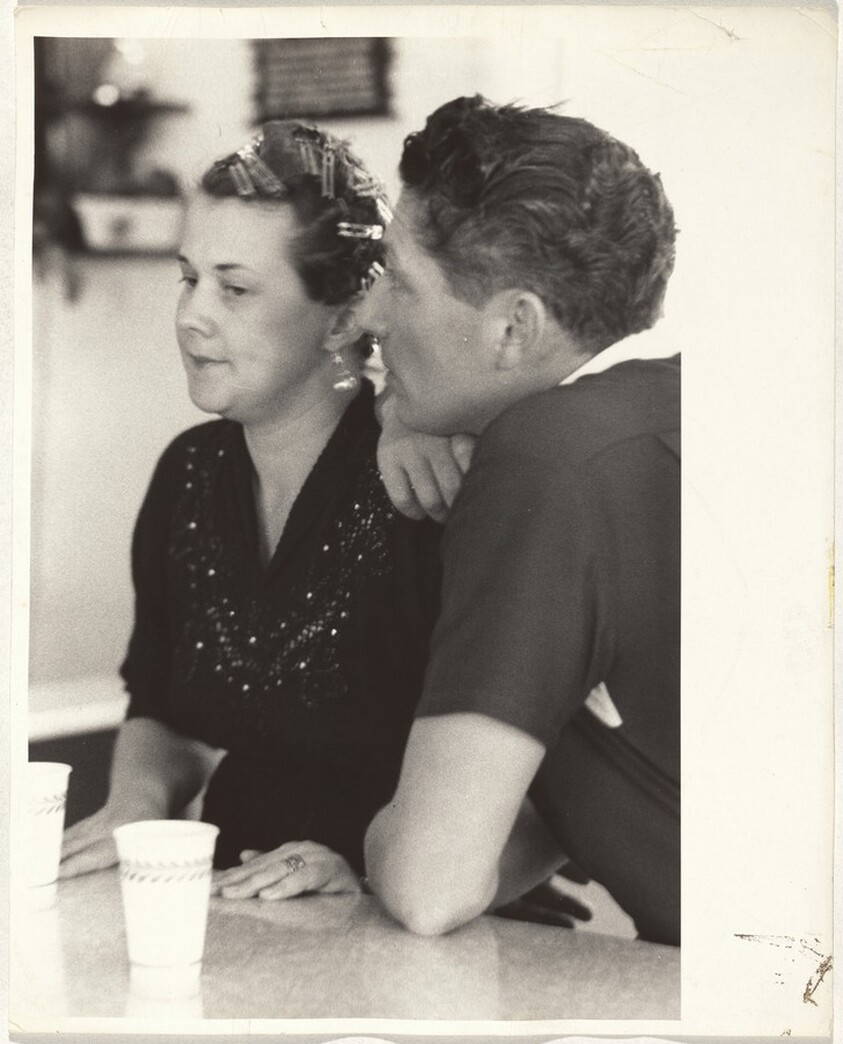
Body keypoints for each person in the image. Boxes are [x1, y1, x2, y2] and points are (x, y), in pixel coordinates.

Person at [59, 120, 465, 899]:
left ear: (345, 318)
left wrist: (370, 874)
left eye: (235, 288)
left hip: (423, 918)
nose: (190, 316)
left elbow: (528, 762)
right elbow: (160, 703)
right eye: (188, 277)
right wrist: (133, 806)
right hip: (237, 899)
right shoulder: (187, 474)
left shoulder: (427, 481)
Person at [361, 95, 680, 945]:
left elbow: (430, 888)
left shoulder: (548, 461)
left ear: (515, 326)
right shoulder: (668, 408)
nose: (369, 318)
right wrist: (407, 413)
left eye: (398, 283)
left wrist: (364, 843)